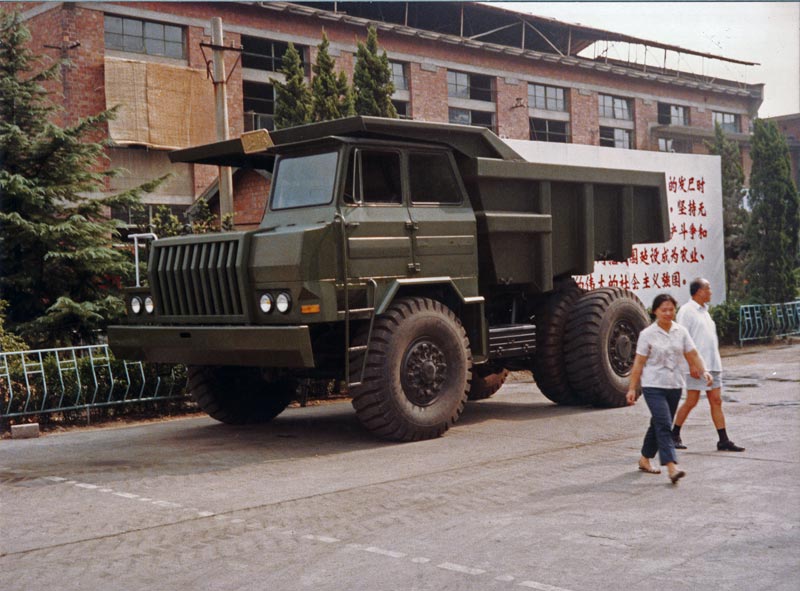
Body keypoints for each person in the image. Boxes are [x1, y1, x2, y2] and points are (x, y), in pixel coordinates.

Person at [626, 293, 712, 484]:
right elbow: (639, 363)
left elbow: (693, 353)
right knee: (664, 423)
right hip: (653, 385)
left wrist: (703, 370)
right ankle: (672, 466)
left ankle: (644, 459)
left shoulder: (680, 331)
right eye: (663, 310)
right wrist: (632, 388)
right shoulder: (647, 334)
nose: (667, 313)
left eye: (671, 309)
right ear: (655, 311)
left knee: (657, 422)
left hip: (674, 384)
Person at [672, 278, 745, 452]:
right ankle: (673, 434)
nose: (711, 292)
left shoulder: (705, 311)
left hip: (713, 364)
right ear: (699, 291)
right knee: (692, 400)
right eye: (708, 288)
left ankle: (723, 440)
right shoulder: (686, 311)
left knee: (716, 400)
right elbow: (681, 340)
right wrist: (691, 364)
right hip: (697, 365)